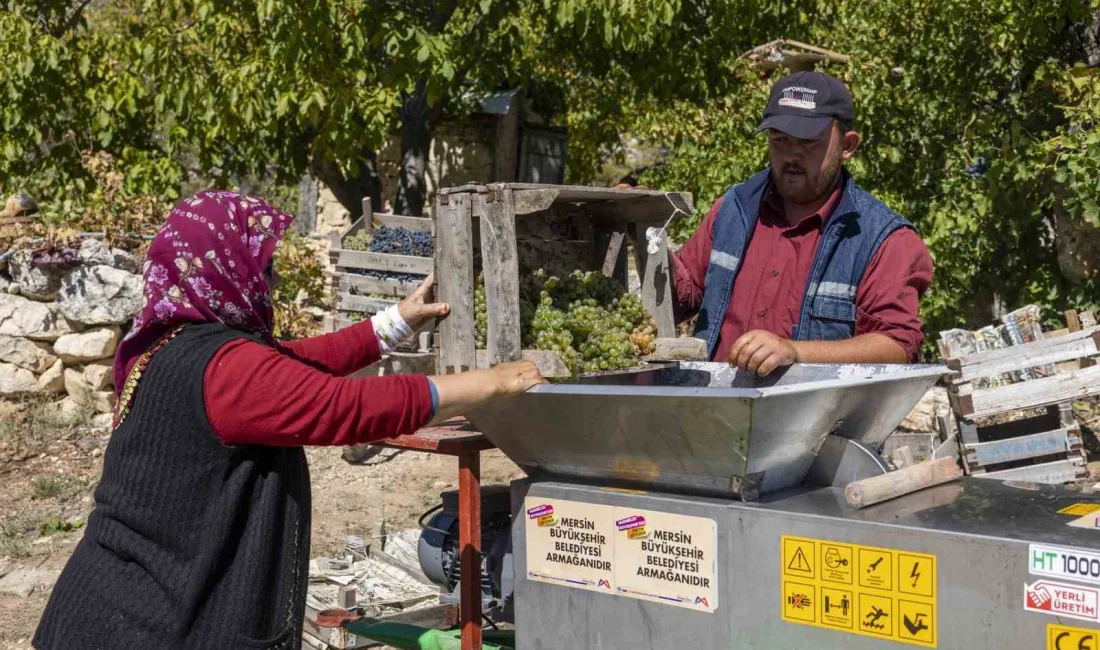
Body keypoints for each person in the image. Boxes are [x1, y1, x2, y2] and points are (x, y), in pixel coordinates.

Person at [33, 190, 544, 650]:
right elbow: (344, 408)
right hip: (145, 625)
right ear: (224, 269)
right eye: (263, 266)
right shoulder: (224, 369)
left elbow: (291, 363)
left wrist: (397, 323)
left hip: (116, 604)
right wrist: (490, 384)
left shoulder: (168, 344)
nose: (272, 279)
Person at [671, 70, 934, 376]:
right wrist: (637, 231)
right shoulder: (734, 208)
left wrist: (795, 351)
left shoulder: (883, 239)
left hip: (814, 419)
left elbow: (897, 345)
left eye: (809, 142)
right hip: (713, 411)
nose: (792, 155)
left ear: (847, 145)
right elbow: (685, 291)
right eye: (780, 139)